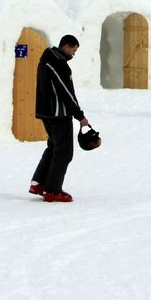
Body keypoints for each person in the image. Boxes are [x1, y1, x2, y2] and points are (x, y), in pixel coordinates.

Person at [29, 34, 90, 203]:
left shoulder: (46, 59)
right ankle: (52, 191)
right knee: (64, 153)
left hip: (46, 113)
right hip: (58, 114)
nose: (73, 54)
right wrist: (80, 116)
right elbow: (65, 92)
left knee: (53, 148)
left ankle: (38, 183)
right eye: (73, 50)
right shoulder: (58, 64)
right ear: (65, 46)